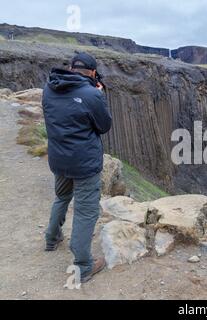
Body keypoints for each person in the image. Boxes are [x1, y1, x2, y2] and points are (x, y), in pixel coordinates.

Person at [42, 52, 112, 283]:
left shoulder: (49, 89)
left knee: (61, 197)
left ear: (71, 69)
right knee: (85, 212)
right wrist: (99, 95)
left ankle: (51, 239)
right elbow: (103, 126)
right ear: (92, 73)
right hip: (84, 164)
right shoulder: (92, 94)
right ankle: (83, 266)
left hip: (59, 159)